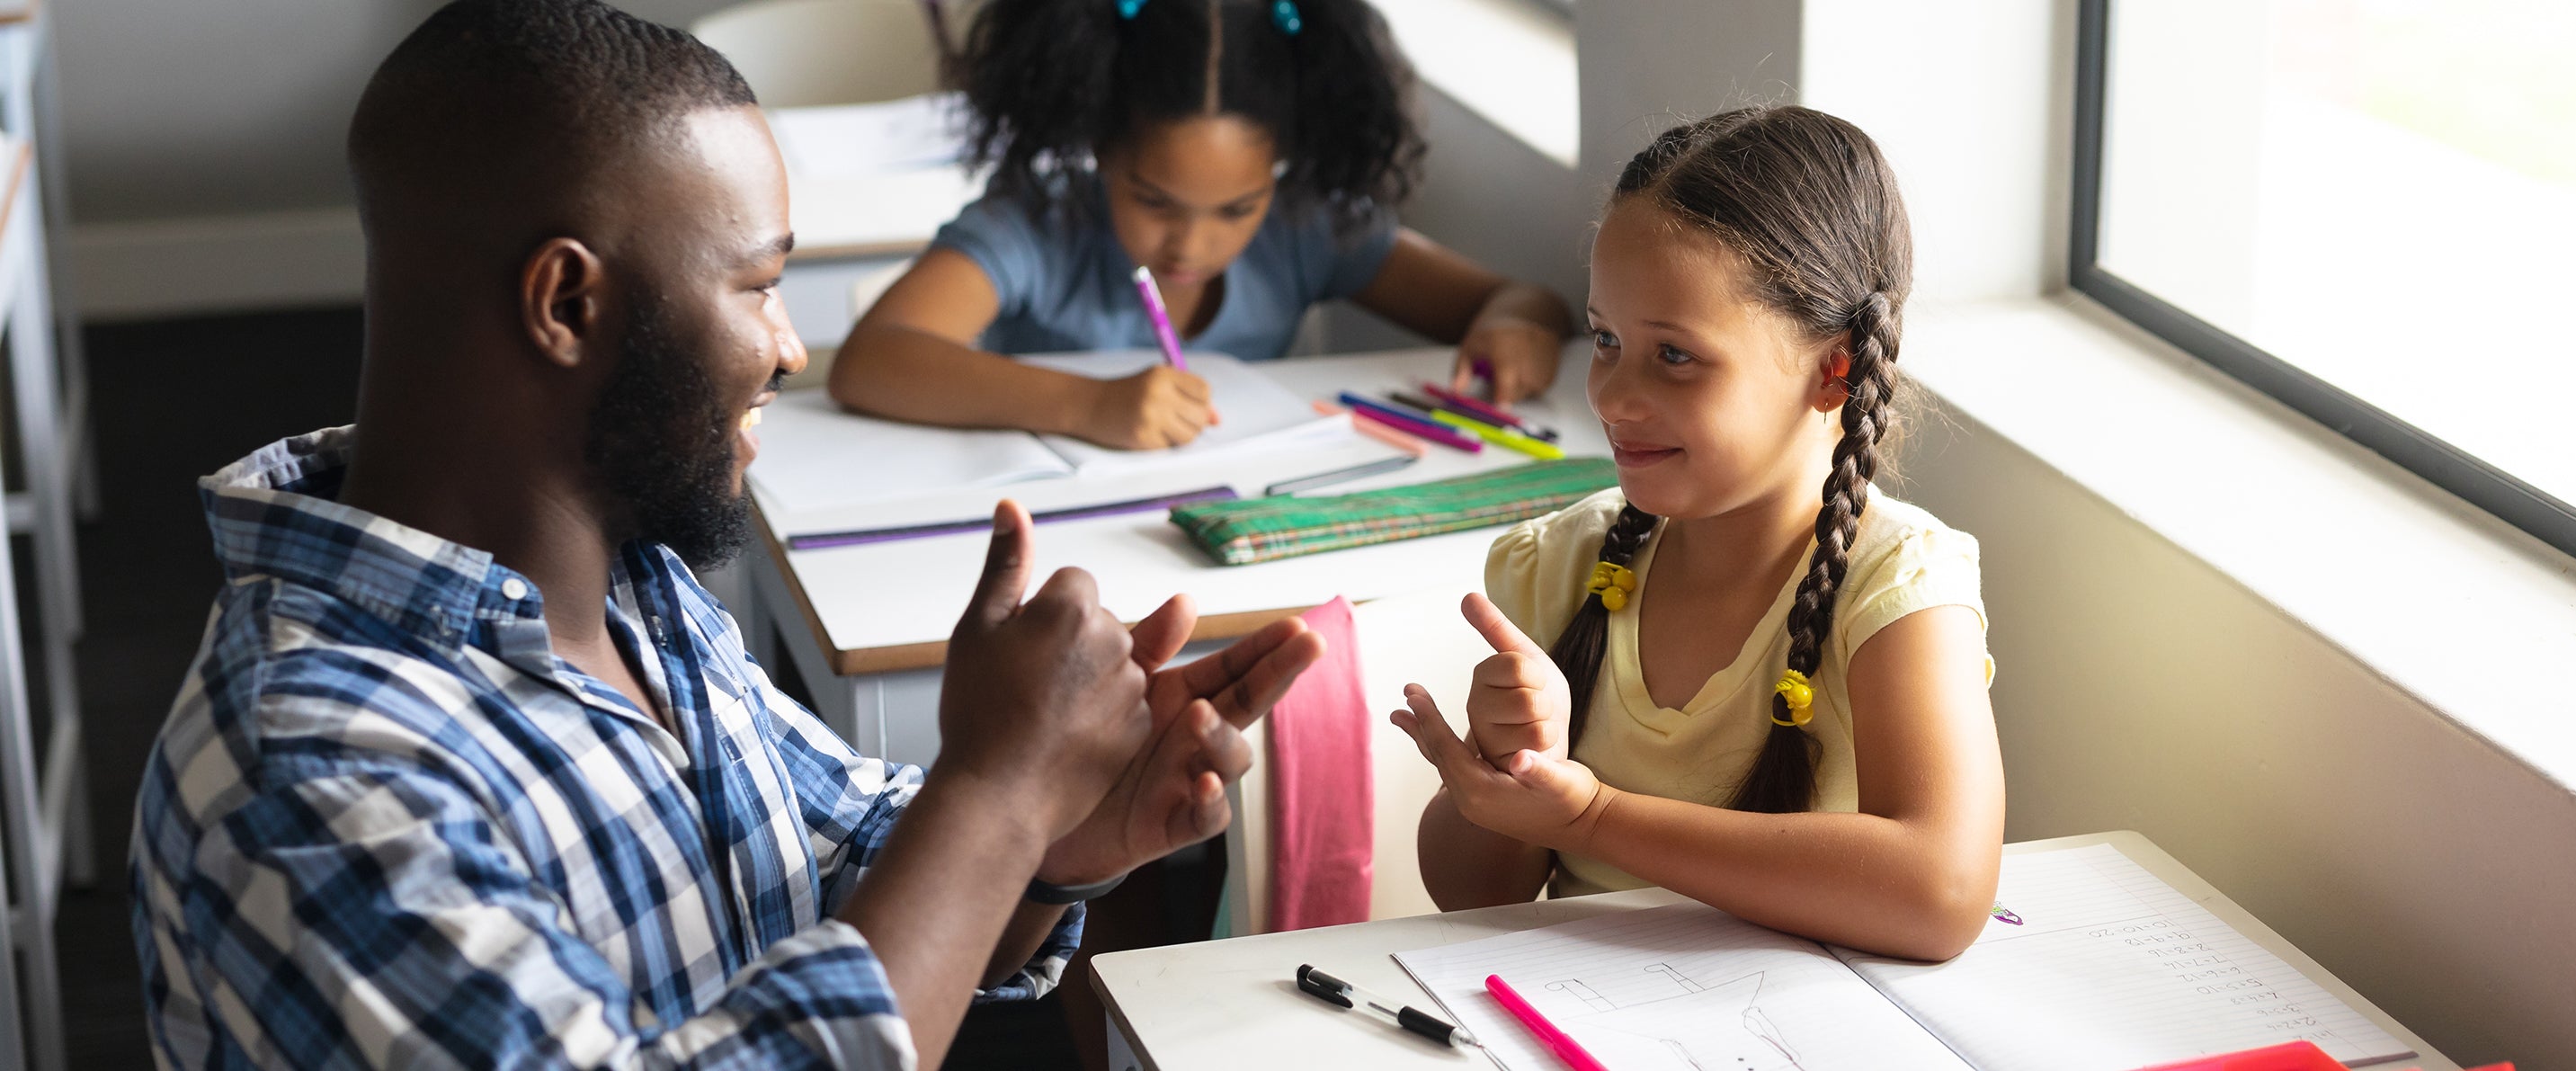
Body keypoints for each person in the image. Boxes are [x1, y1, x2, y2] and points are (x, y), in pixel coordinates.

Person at [128, 3, 1321, 1067]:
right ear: (570, 304)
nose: (790, 346)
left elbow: (833, 874)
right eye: (756, 285)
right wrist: (998, 790)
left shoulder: (628, 581)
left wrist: (1057, 834)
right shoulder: (314, 780)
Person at [1394, 107, 2006, 960]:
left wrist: (1592, 815)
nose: (1610, 396)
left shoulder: (1896, 588)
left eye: (1673, 355)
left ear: (1832, 372)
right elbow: (1470, 889)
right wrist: (1505, 775)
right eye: (1605, 339)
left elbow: (1940, 892)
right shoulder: (1563, 566)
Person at [825, 0, 1574, 448]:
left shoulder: (1305, 226)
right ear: (1100, 148)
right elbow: (873, 360)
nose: (1192, 244)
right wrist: (1089, 403)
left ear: (1279, 169)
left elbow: (1521, 300)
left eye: (1236, 209)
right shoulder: (1037, 224)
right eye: (1154, 200)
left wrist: (1516, 326)